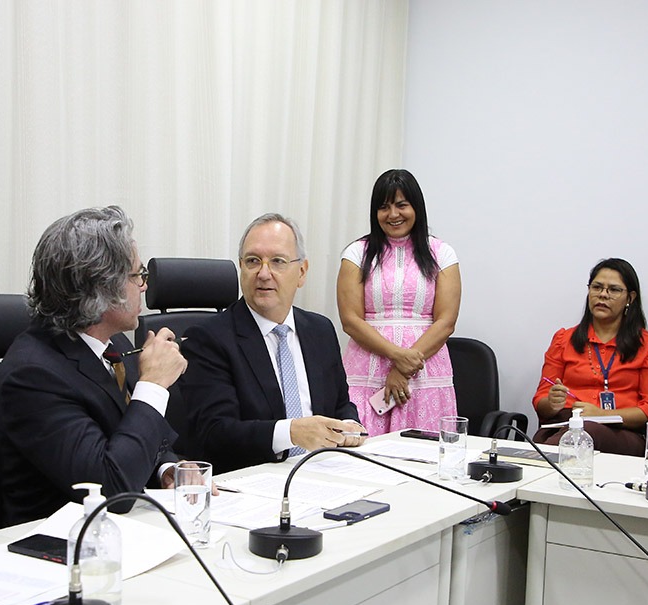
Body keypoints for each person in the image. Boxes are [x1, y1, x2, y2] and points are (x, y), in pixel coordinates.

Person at [0, 206, 187, 524]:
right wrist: (153, 385)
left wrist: (166, 469)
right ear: (101, 287)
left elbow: (132, 431)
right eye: (137, 275)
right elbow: (110, 491)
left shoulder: (114, 344)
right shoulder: (32, 376)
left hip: (127, 529)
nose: (144, 285)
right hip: (64, 541)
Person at [182, 213, 365, 474]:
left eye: (278, 261)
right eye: (253, 261)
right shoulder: (208, 339)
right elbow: (215, 433)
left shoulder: (320, 330)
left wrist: (349, 425)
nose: (264, 273)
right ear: (241, 268)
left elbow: (340, 404)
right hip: (254, 479)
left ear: (301, 272)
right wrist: (291, 432)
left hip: (324, 471)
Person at [338, 169, 460, 434]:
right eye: (384, 207)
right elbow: (350, 320)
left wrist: (403, 370)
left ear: (416, 207)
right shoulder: (356, 253)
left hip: (425, 371)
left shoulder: (442, 253)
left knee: (422, 451)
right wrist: (397, 356)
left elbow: (446, 321)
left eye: (401, 205)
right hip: (367, 369)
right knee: (360, 449)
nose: (393, 214)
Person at [532, 258, 648, 456]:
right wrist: (552, 403)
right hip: (565, 425)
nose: (603, 294)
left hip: (623, 432)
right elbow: (541, 401)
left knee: (586, 431)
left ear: (630, 298)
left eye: (614, 290)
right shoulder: (563, 339)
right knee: (566, 434)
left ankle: (542, 460)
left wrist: (603, 415)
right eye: (597, 287)